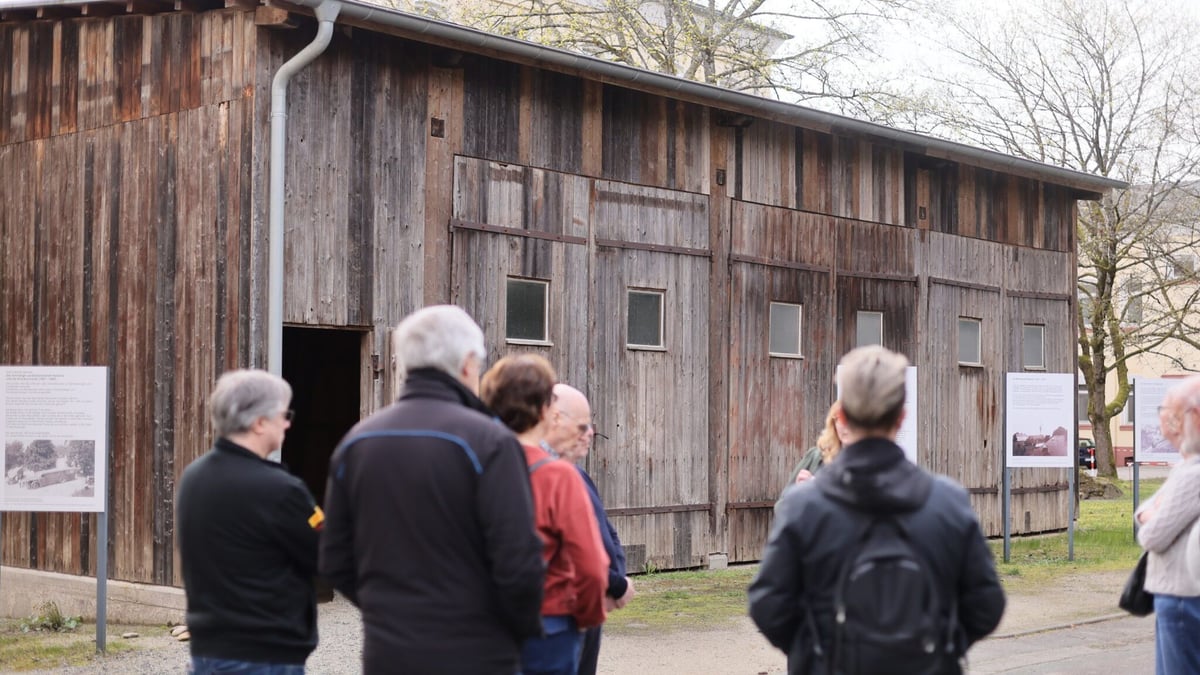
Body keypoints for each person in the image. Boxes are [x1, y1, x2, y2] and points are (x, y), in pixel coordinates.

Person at [749, 346, 1005, 675]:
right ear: (901, 416)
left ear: (841, 417)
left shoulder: (804, 506)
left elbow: (768, 604)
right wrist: (937, 651)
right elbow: (986, 605)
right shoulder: (948, 502)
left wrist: (816, 655)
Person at [319, 305, 544, 674]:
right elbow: (519, 562)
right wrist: (515, 632)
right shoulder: (488, 442)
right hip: (477, 653)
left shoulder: (356, 443)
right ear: (469, 364)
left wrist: (387, 610)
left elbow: (334, 559)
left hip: (387, 652)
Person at [176, 369, 323, 674]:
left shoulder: (194, 477)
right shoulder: (281, 490)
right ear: (259, 423)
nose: (287, 422)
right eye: (284, 414)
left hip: (207, 653)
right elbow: (326, 554)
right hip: (263, 656)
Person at [480, 356, 610, 675]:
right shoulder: (559, 477)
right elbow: (592, 568)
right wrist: (586, 620)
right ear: (544, 411)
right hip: (548, 628)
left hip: (482, 627)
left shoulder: (468, 468)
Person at [546, 383, 635, 675]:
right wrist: (615, 584)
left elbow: (606, 532)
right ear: (554, 419)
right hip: (566, 613)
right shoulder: (545, 477)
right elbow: (571, 550)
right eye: (582, 425)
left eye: (591, 425)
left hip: (593, 604)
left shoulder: (578, 475)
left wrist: (616, 579)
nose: (590, 433)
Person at [1136, 375, 1200, 674]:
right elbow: (1146, 510)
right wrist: (1151, 512)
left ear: (1195, 416)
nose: (1170, 430)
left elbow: (1153, 535)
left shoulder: (1193, 474)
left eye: (1175, 419)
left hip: (1183, 598)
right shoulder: (1188, 467)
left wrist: (1151, 516)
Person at [783, 400, 848, 494]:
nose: (844, 426)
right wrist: (797, 493)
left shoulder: (870, 462)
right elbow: (782, 503)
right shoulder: (815, 456)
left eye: (851, 420)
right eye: (839, 419)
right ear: (833, 424)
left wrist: (818, 486)